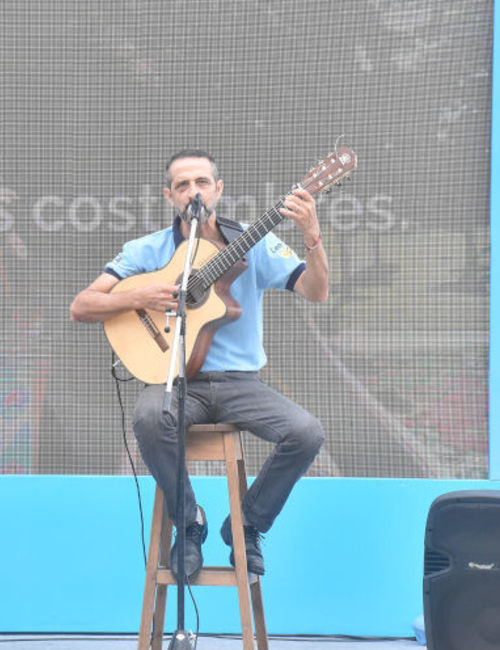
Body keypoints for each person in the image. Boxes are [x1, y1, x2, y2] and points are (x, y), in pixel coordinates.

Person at [69, 149, 326, 579]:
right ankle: (189, 524)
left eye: (202, 182)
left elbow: (317, 291)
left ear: (218, 189)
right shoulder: (147, 249)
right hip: (173, 380)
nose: (194, 192)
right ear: (169, 195)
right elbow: (82, 306)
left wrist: (312, 236)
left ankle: (247, 525)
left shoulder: (253, 241)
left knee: (305, 432)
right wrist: (140, 296)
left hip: (241, 383)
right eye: (183, 185)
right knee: (149, 417)